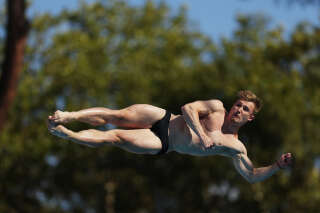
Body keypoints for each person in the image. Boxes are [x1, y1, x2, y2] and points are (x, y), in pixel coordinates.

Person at [48, 90, 293, 183]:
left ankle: (67, 134)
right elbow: (187, 109)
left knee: (114, 137)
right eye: (238, 105)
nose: (238, 110)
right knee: (117, 115)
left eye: (244, 109)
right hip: (164, 119)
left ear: (250, 118)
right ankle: (69, 115)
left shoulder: (234, 147)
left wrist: (276, 166)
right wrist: (201, 134)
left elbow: (251, 175)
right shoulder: (216, 107)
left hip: (164, 142)